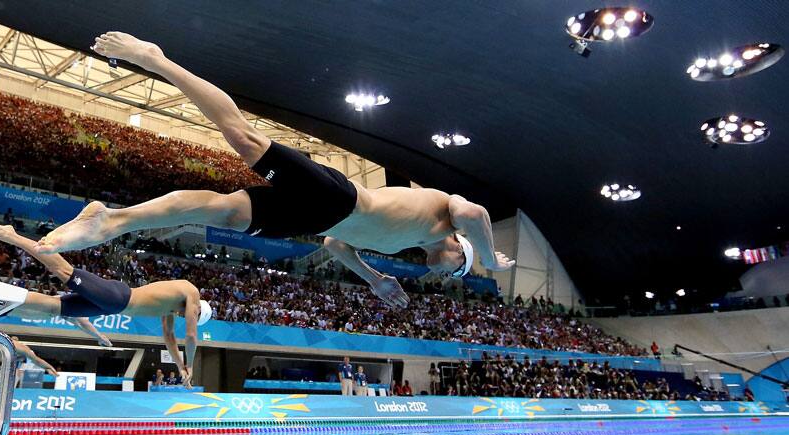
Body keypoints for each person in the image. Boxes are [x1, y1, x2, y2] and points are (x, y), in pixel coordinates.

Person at [35, 32, 514, 308]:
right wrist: (491, 261)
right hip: (338, 197)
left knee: (220, 212)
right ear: (459, 250)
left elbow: (334, 244)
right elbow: (477, 215)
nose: (448, 274)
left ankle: (113, 220)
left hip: (317, 220)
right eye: (459, 269)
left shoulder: (406, 243)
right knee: (243, 139)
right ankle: (157, 60)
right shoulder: (446, 218)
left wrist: (372, 279)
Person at [0, 223, 211, 387]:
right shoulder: (190, 291)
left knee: (55, 308)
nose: (185, 316)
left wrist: (180, 366)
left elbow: (170, 338)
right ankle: (13, 236)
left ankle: (2, 301)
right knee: (64, 270)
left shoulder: (170, 308)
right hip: (118, 296)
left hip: (112, 306)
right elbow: (190, 336)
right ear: (198, 308)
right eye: (191, 314)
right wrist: (190, 365)